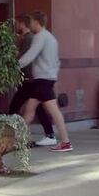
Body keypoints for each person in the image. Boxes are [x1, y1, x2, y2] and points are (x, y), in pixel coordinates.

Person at [17, 11, 72, 152]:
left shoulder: (40, 37)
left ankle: (65, 142)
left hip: (42, 80)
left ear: (36, 22)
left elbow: (30, 55)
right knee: (29, 110)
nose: (30, 25)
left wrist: (15, 65)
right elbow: (56, 61)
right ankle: (15, 139)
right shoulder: (51, 38)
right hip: (46, 79)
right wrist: (53, 75)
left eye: (31, 22)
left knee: (52, 111)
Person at [9, 14, 57, 147]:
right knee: (38, 109)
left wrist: (14, 65)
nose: (16, 26)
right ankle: (50, 134)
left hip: (30, 80)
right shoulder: (28, 38)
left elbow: (25, 58)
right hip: (32, 80)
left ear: (23, 24)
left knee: (15, 107)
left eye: (17, 23)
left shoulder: (31, 38)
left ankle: (11, 135)